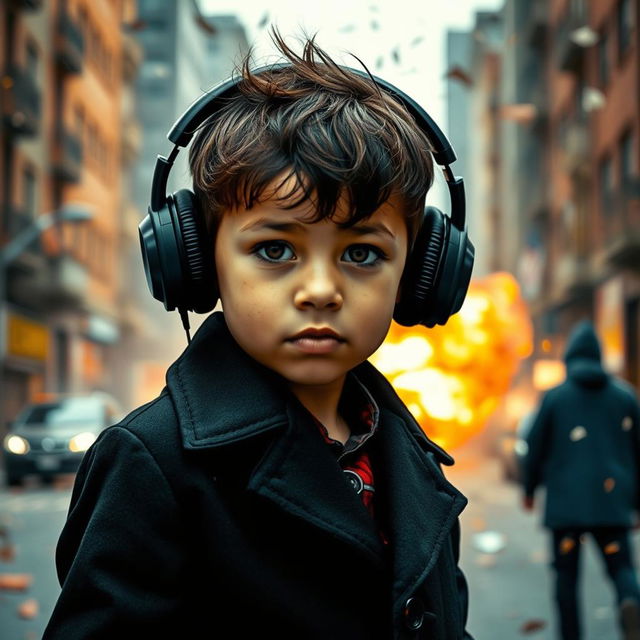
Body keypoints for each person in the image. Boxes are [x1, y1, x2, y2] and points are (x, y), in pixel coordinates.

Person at [43, 32, 475, 639]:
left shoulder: (413, 460)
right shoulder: (152, 461)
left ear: (421, 274)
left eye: (362, 253)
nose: (320, 289)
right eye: (274, 249)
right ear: (198, 261)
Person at [521, 320, 640, 640]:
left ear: (570, 357)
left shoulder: (555, 398)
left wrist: (529, 489)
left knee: (566, 579)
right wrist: (636, 505)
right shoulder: (625, 397)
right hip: (612, 502)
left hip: (566, 505)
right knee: (621, 568)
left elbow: (534, 445)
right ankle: (631, 603)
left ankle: (571, 635)